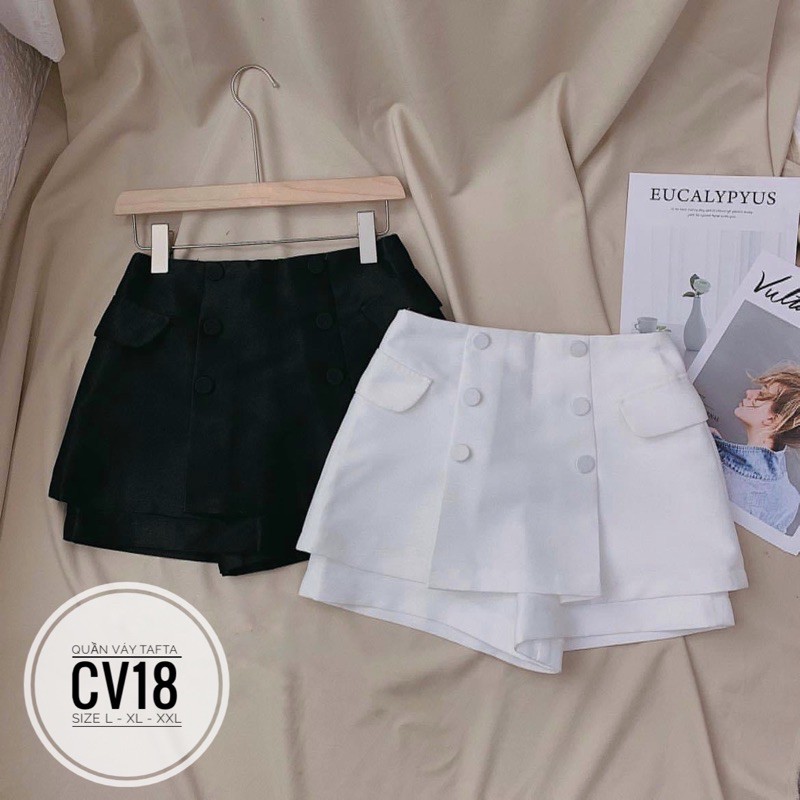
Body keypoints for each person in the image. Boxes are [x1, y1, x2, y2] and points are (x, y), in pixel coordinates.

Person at [712, 365, 800, 534]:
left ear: (773, 419)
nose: (749, 393)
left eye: (761, 395)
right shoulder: (789, 499)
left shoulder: (717, 463)